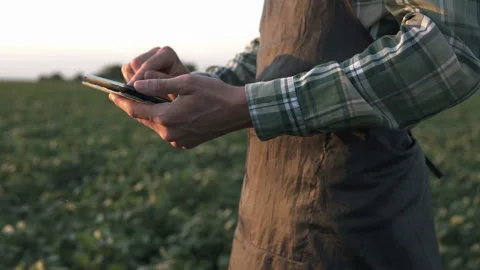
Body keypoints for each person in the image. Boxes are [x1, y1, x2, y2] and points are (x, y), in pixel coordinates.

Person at [110, 0, 480, 269]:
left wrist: (249, 106)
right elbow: (274, 51)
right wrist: (197, 85)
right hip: (265, 220)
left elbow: (451, 48)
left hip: (358, 222)